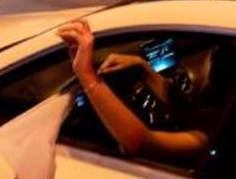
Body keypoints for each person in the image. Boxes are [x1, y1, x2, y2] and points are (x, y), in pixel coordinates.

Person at [57, 19, 209, 159]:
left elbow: (143, 143)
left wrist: (87, 75)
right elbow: (181, 109)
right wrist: (142, 66)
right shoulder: (217, 115)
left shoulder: (209, 138)